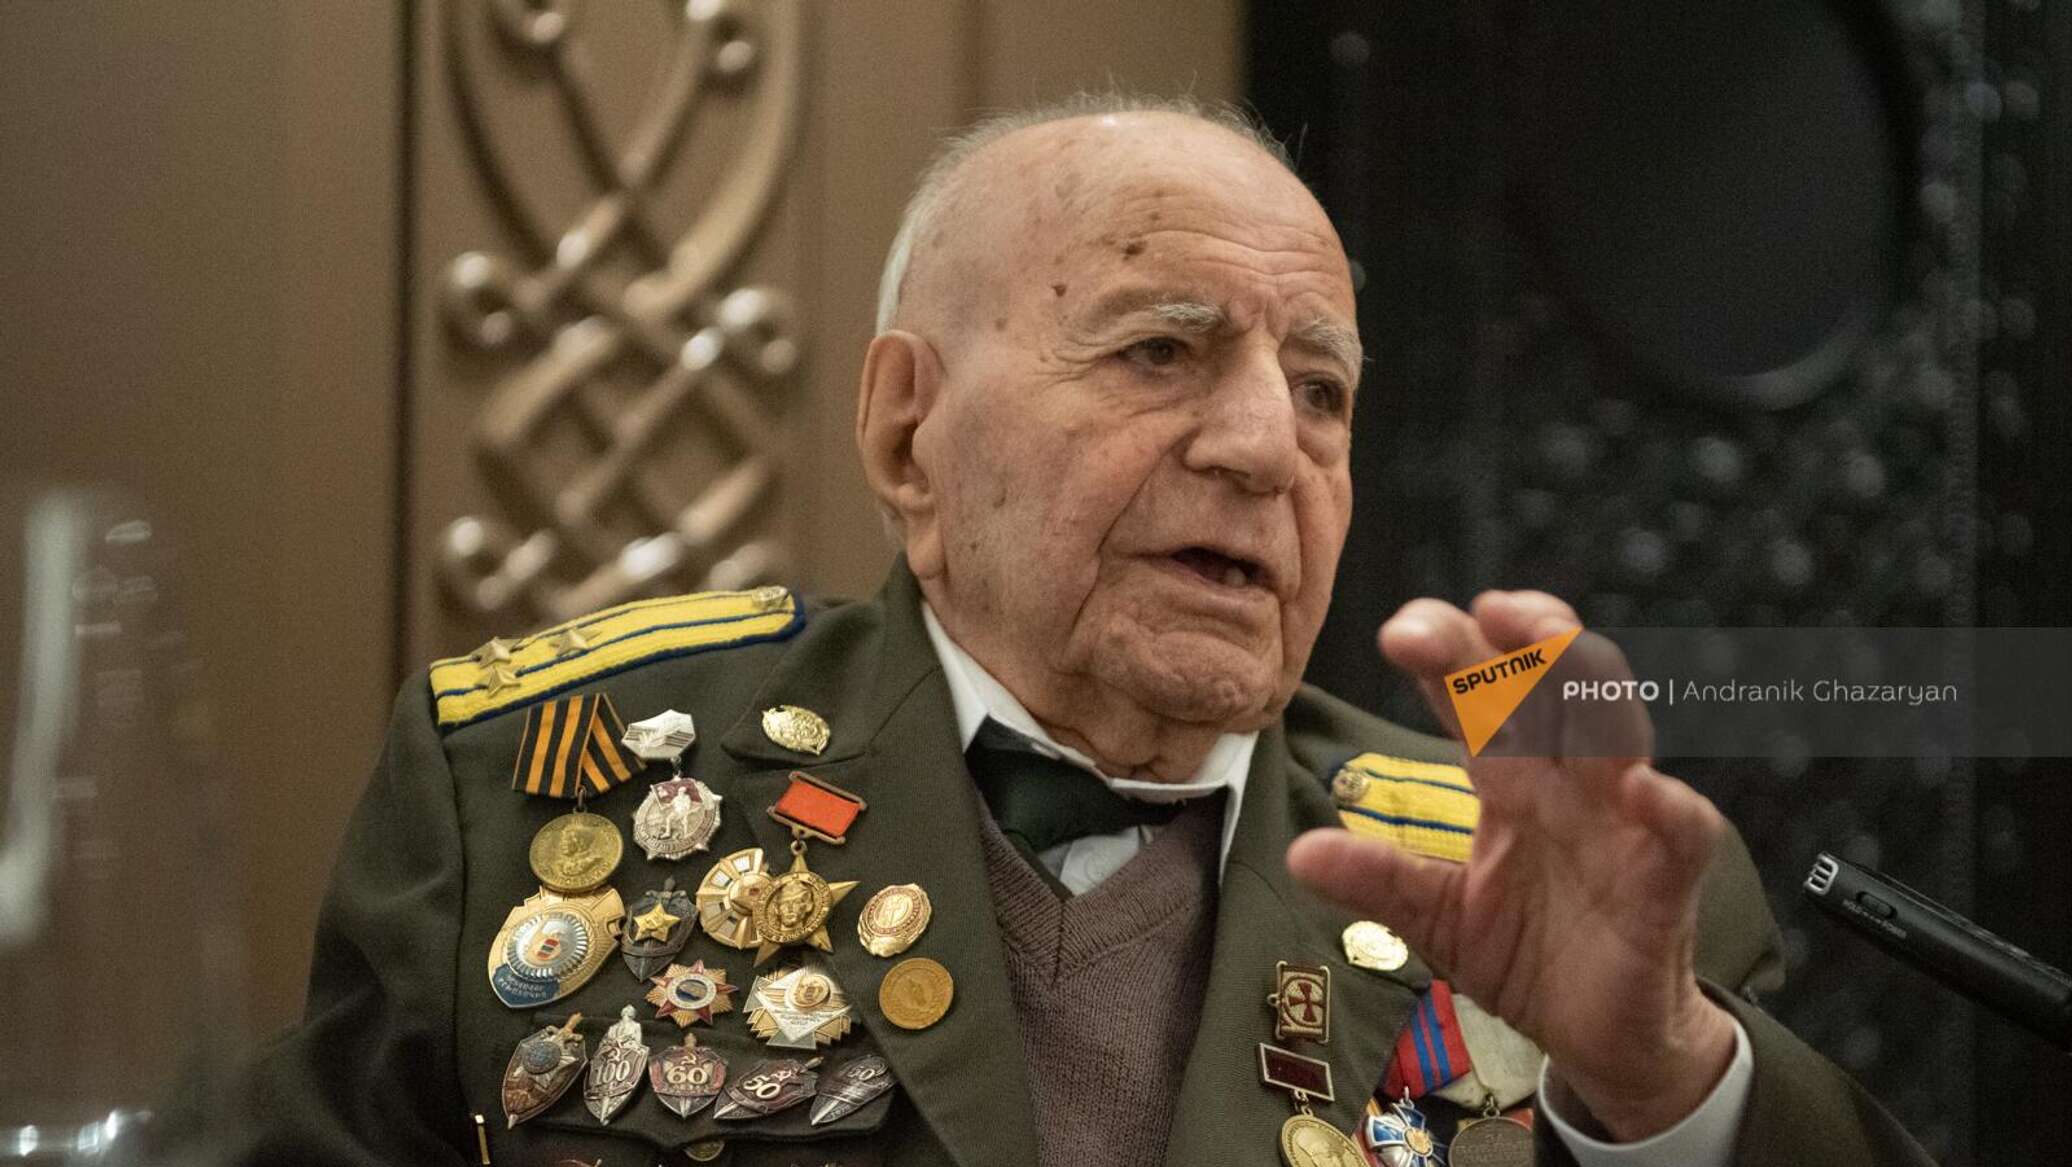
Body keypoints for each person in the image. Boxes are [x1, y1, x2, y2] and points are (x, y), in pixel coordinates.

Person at [192, 94, 1934, 1167]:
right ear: (907, 434)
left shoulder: (1532, 894)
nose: (1264, 446)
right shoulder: (531, 790)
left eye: (1320, 389)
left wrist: (1661, 1085)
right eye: (1161, 351)